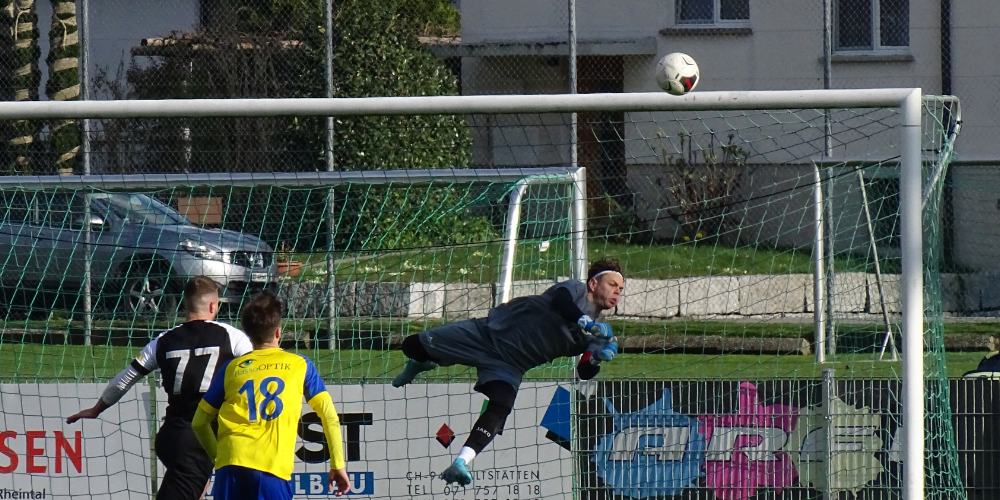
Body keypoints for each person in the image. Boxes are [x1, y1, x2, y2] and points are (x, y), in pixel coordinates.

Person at [392, 257, 624, 485]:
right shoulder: (576, 290)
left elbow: (584, 371)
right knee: (411, 345)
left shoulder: (601, 333)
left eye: (621, 289)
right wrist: (584, 321)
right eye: (613, 285)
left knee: (501, 405)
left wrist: (597, 359)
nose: (617, 292)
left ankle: (461, 463)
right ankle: (420, 363)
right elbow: (560, 301)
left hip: (511, 365)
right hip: (488, 334)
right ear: (594, 284)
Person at [66, 275, 253, 500]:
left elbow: (124, 379)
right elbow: (257, 374)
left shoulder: (163, 340)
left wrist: (97, 408)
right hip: (201, 440)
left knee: (197, 488)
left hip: (173, 436)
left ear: (185, 306)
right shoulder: (233, 337)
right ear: (213, 305)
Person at [192, 291, 351, 499]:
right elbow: (329, 416)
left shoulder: (231, 368)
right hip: (271, 469)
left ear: (248, 335)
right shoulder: (300, 365)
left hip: (230, 464)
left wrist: (218, 457)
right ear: (278, 332)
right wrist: (337, 464)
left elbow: (198, 422)